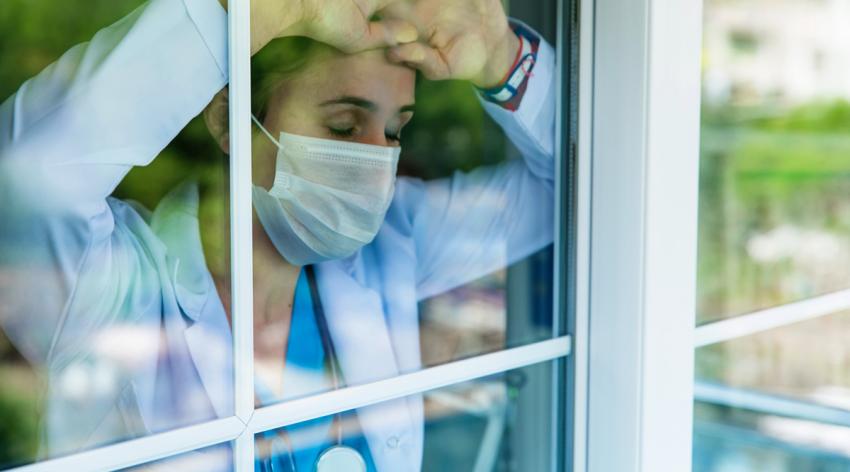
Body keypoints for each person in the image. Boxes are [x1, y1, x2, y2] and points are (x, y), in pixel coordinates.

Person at [0, 0, 555, 469]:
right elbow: (30, 175)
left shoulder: (395, 241)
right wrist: (255, 12)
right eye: (342, 126)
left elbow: (579, 192)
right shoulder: (114, 285)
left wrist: (505, 61)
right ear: (229, 121)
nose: (377, 161)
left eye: (394, 130)